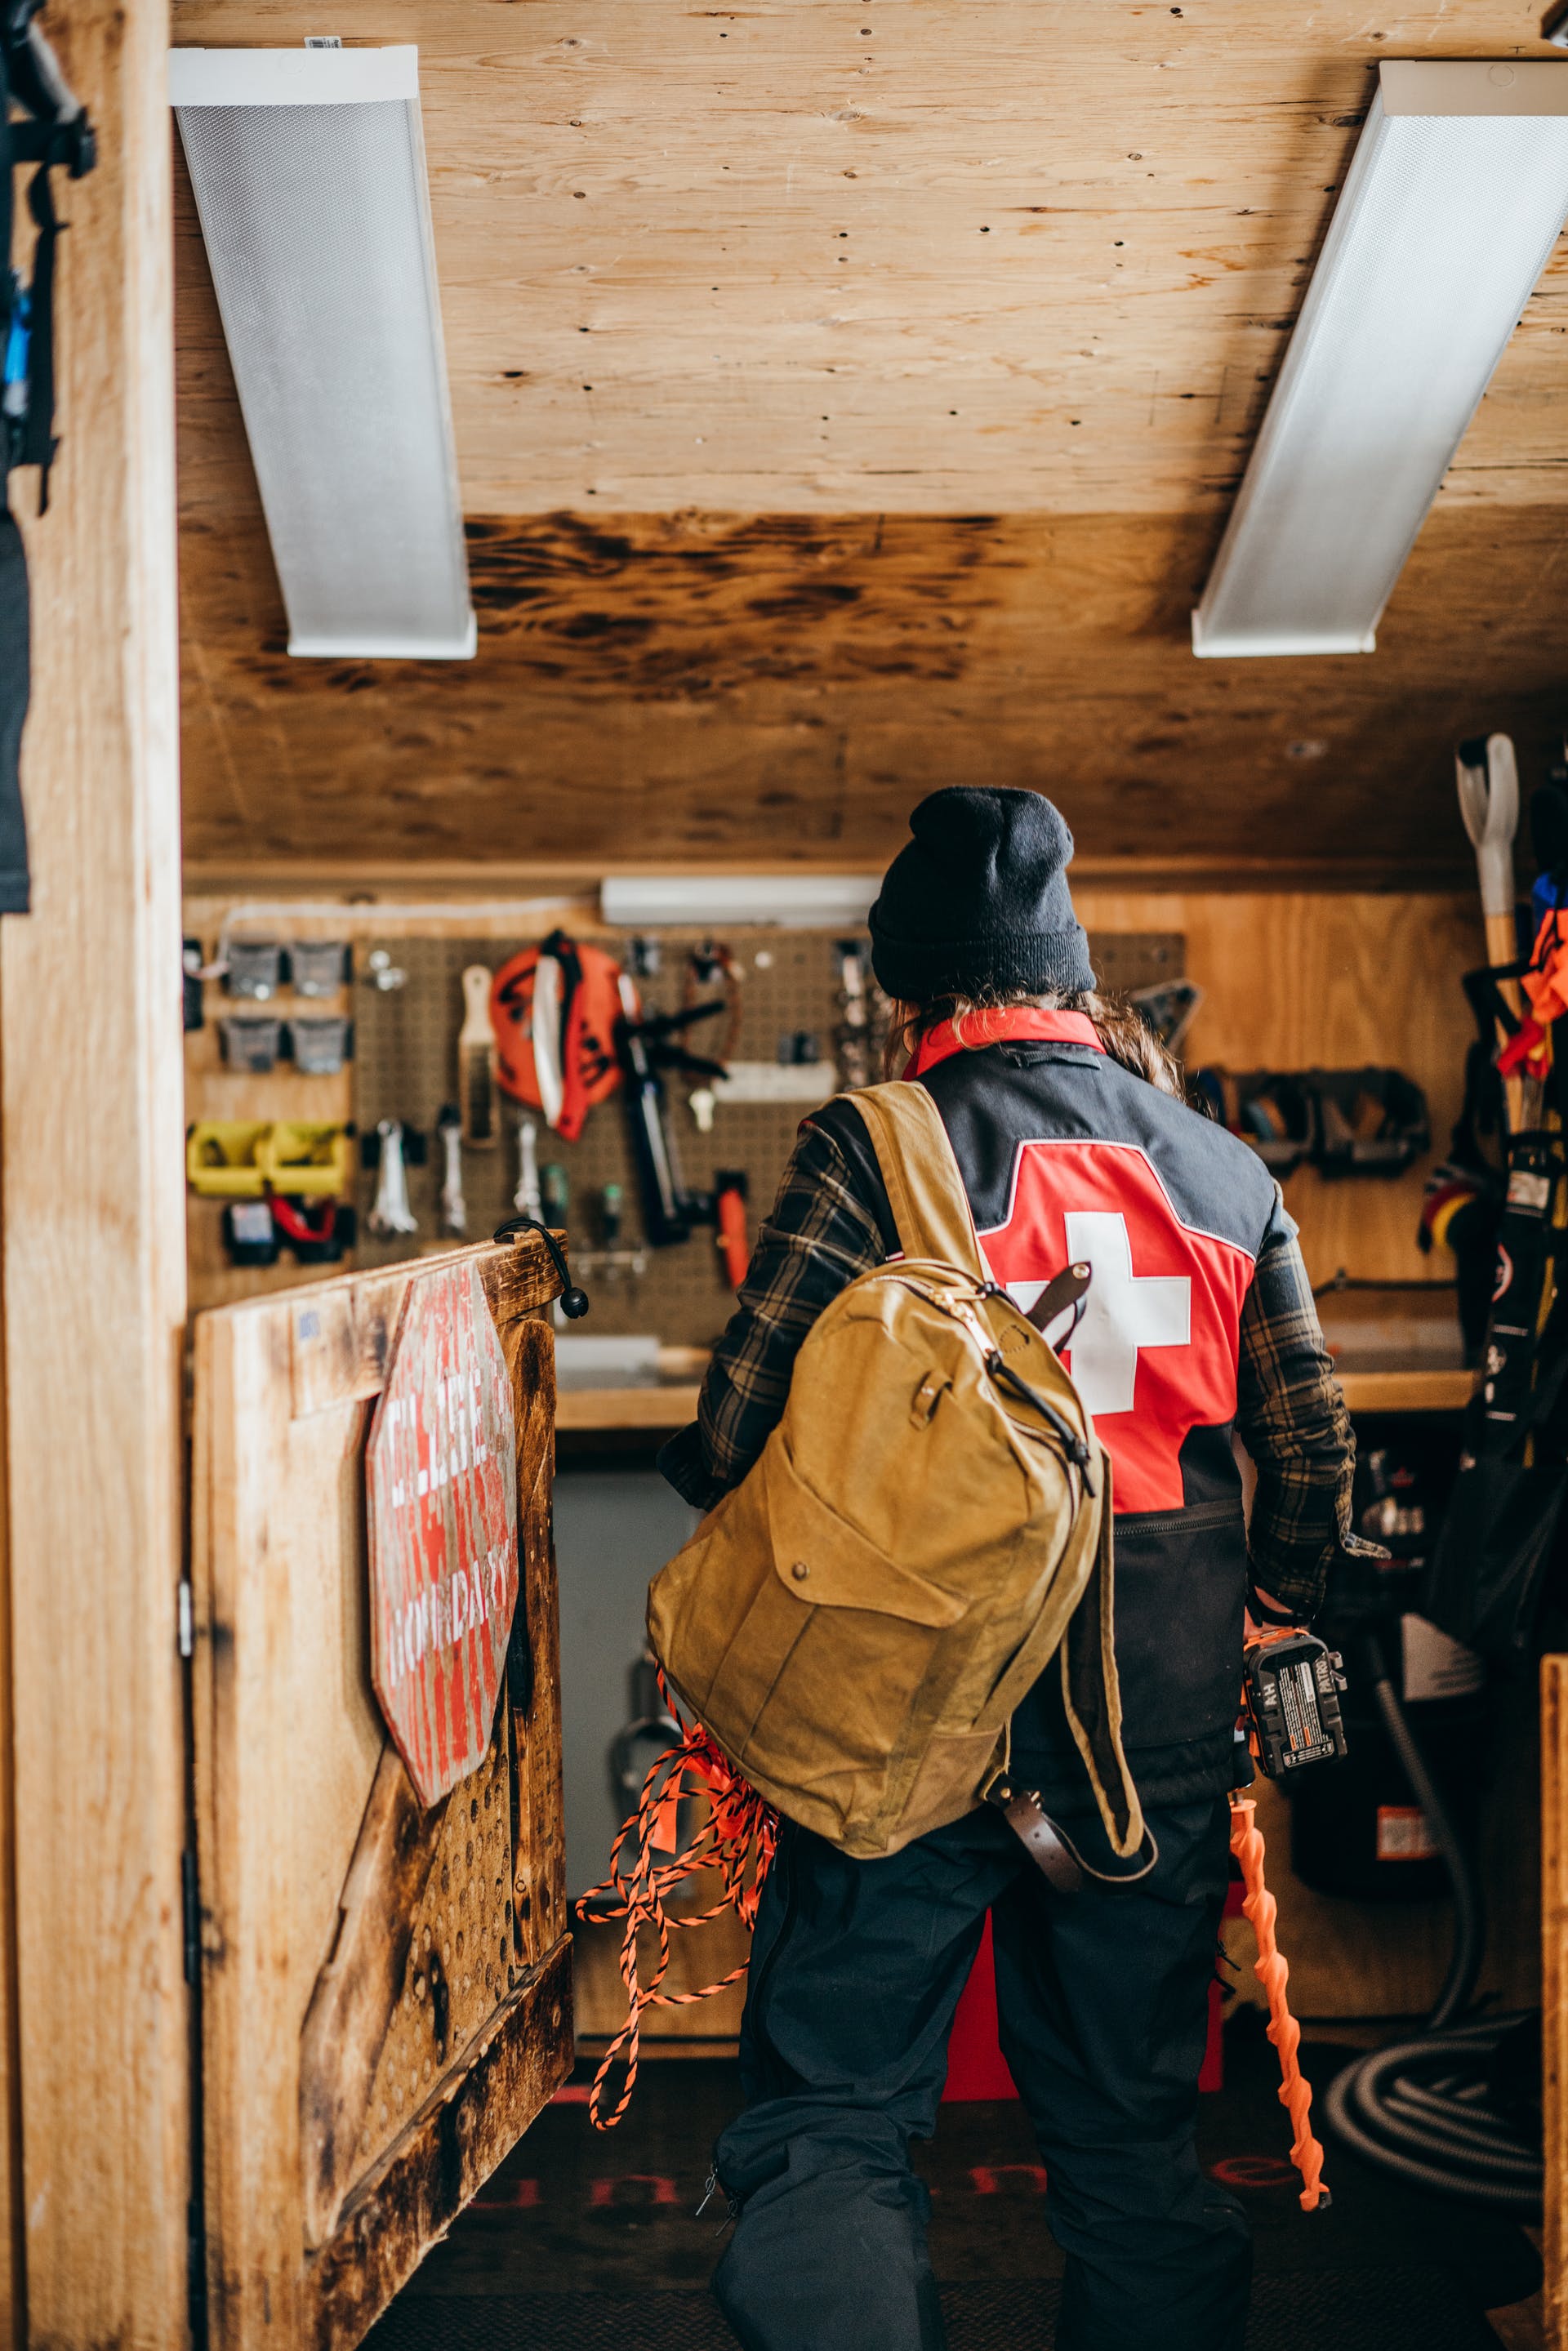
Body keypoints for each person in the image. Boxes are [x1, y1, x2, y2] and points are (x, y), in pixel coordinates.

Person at [658, 786, 1361, 2351]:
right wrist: (1260, 1613)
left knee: (834, 2121)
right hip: (1156, 1750)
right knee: (1129, 2144)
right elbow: (1311, 1464)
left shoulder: (877, 1149)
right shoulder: (1229, 1173)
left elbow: (726, 1433)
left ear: (914, 989)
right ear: (1072, 977)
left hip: (903, 1722)